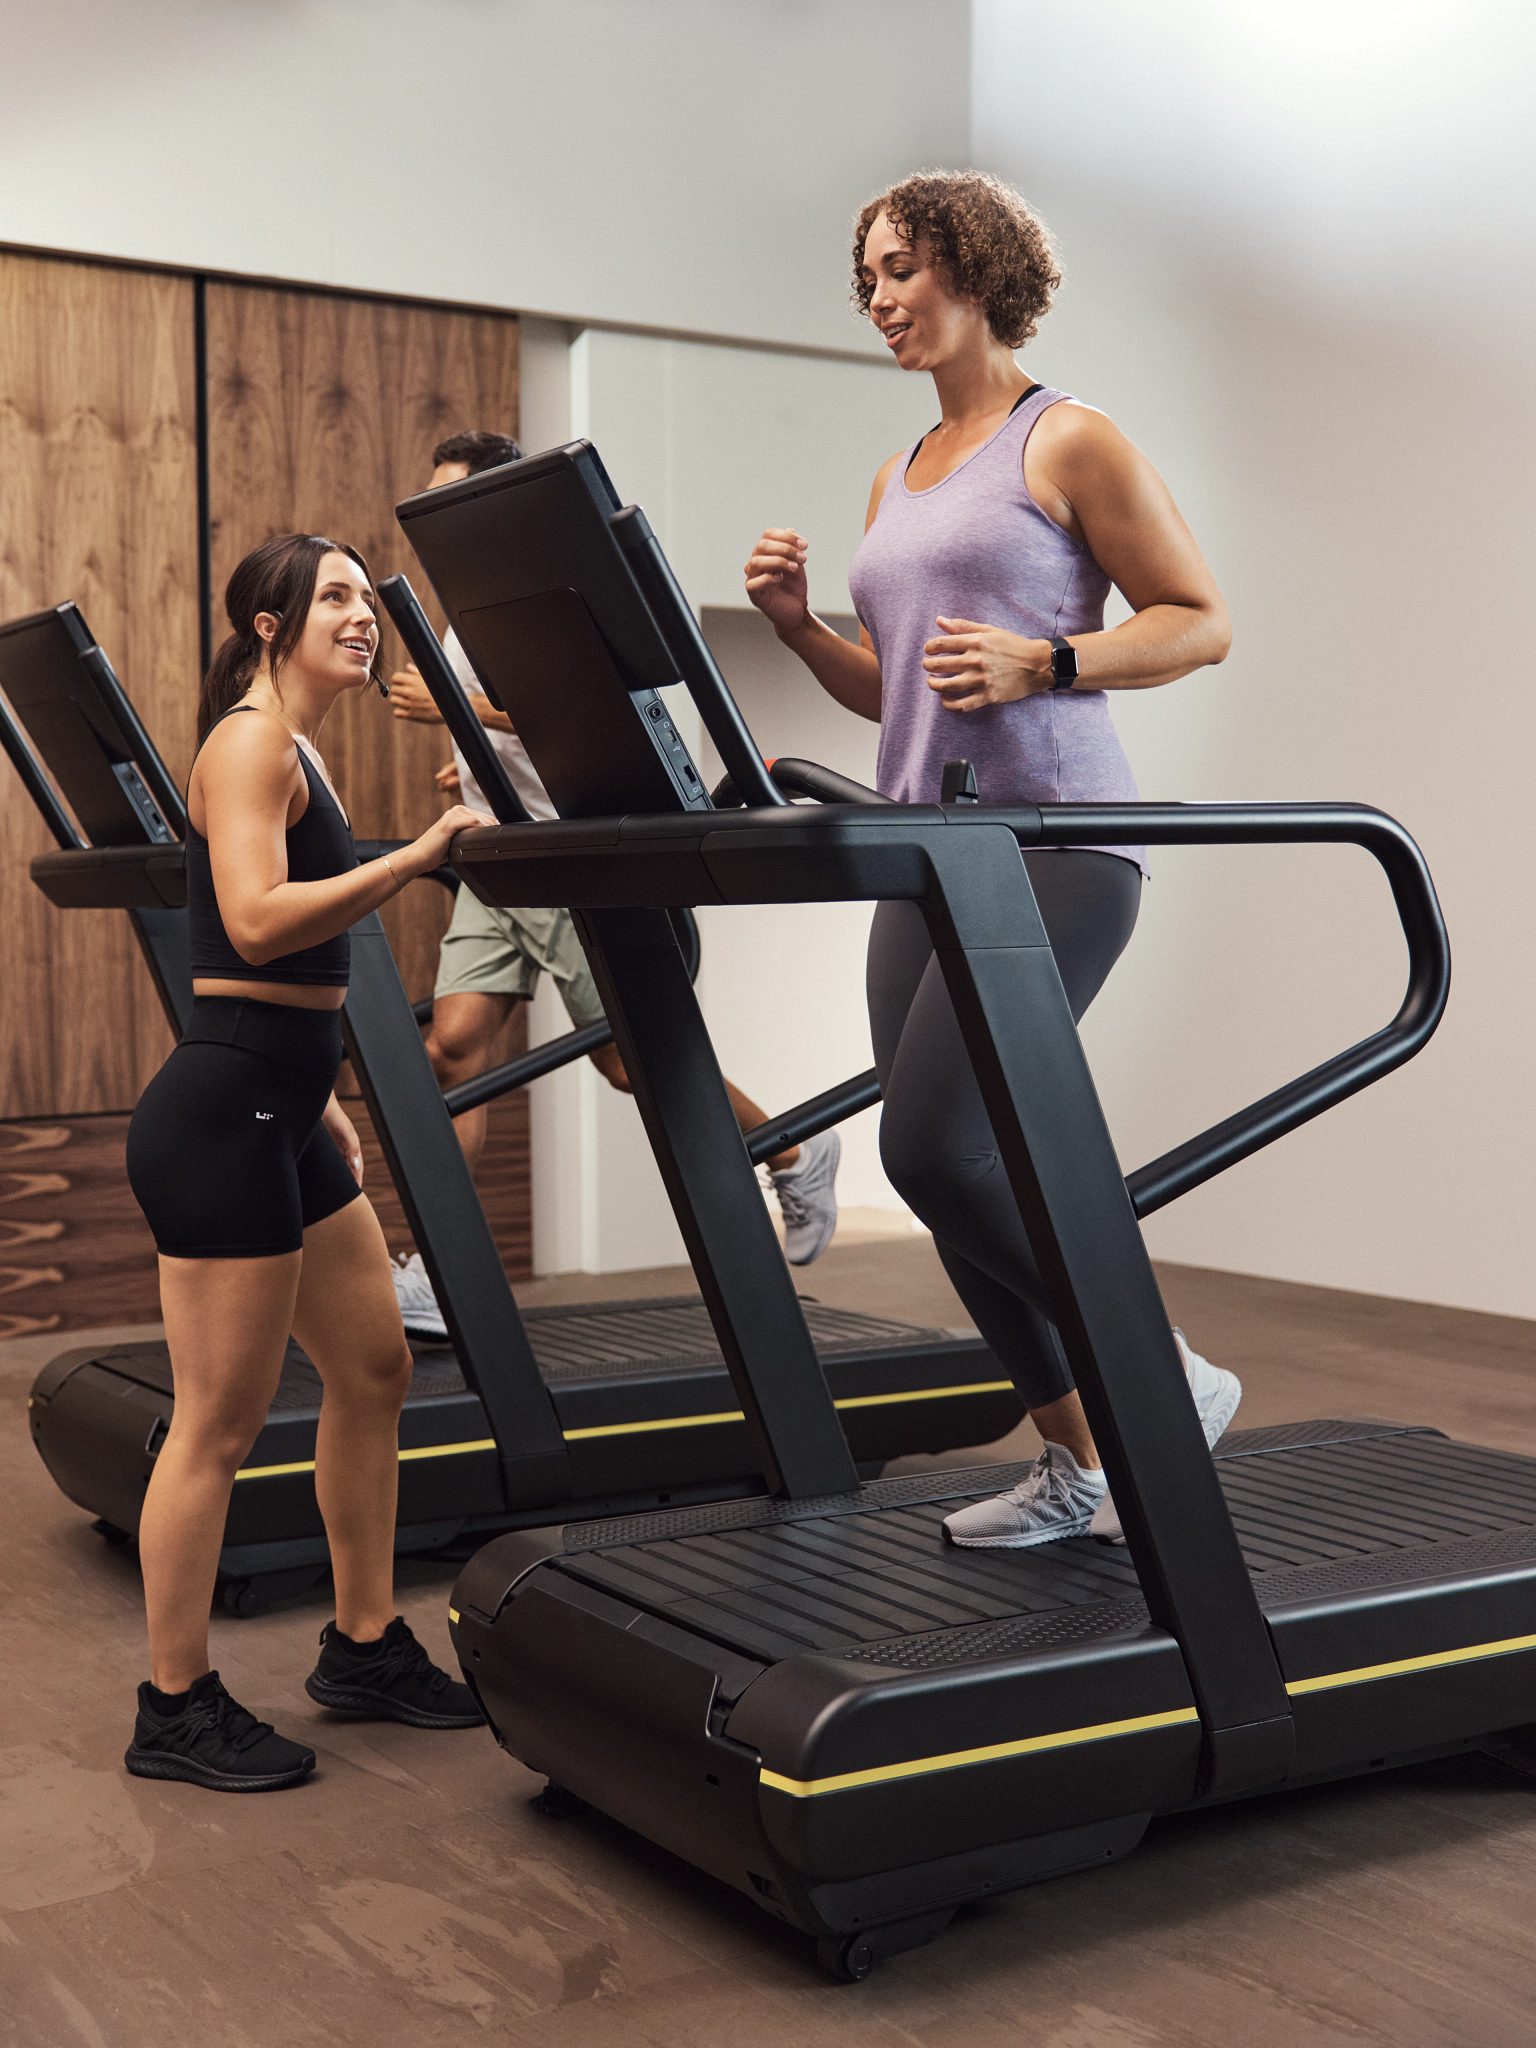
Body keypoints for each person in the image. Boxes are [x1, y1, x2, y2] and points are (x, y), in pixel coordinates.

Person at [743, 171, 1240, 1549]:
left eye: (900, 268)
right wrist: (796, 626)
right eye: (870, 280)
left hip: (1059, 845)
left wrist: (1052, 659)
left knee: (936, 1143)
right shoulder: (896, 476)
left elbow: (1199, 619)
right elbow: (894, 692)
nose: (882, 300)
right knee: (939, 1166)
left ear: (972, 266)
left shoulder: (1066, 439)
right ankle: (1081, 1462)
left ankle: (1166, 1371)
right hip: (928, 853)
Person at [122, 534, 495, 1791]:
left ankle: (366, 1640)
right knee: (219, 1421)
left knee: (376, 1364)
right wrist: (413, 858)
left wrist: (325, 1090)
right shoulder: (251, 740)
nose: (362, 617)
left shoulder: (303, 743)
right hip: (225, 1111)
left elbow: (273, 969)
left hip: (283, 1100)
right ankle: (172, 1705)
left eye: (366, 600)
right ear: (272, 622)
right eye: (334, 597)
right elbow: (252, 919)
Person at [386, 429, 841, 1339]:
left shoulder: (539, 601)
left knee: (630, 1060)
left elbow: (577, 715)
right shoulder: (456, 613)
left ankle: (796, 1146)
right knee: (451, 1048)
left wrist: (455, 710)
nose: (432, 522)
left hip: (564, 858)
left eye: (449, 502)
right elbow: (513, 740)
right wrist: (470, 771)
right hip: (492, 856)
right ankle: (441, 1268)